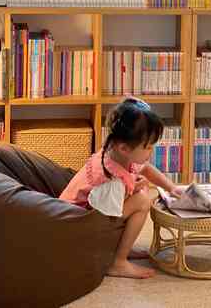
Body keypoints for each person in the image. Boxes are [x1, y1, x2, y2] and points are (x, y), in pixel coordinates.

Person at [59, 97, 184, 279]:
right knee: (142, 201)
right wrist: (132, 194)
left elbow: (146, 168)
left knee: (141, 190)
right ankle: (118, 262)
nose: (152, 151)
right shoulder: (110, 180)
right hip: (78, 227)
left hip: (90, 213)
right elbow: (104, 221)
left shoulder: (116, 152)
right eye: (148, 147)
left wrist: (171, 187)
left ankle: (120, 248)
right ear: (124, 148)